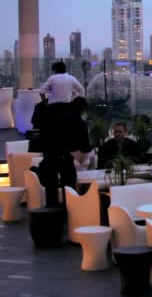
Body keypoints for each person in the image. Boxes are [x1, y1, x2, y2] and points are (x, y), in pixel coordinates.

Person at [37, 62, 86, 207]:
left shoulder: (52, 79)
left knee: (51, 178)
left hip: (53, 112)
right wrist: (74, 100)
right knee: (68, 178)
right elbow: (81, 90)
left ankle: (52, 206)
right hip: (67, 108)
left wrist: (46, 102)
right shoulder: (71, 78)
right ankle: (69, 206)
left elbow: (41, 91)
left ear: (54, 70)